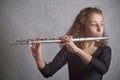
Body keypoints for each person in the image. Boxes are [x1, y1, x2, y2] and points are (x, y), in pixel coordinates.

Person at [30, 7, 111, 80]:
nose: (100, 29)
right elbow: (48, 72)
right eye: (94, 24)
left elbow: (102, 69)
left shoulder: (105, 50)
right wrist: (38, 57)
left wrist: (77, 51)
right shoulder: (69, 48)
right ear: (83, 27)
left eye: (102, 24)